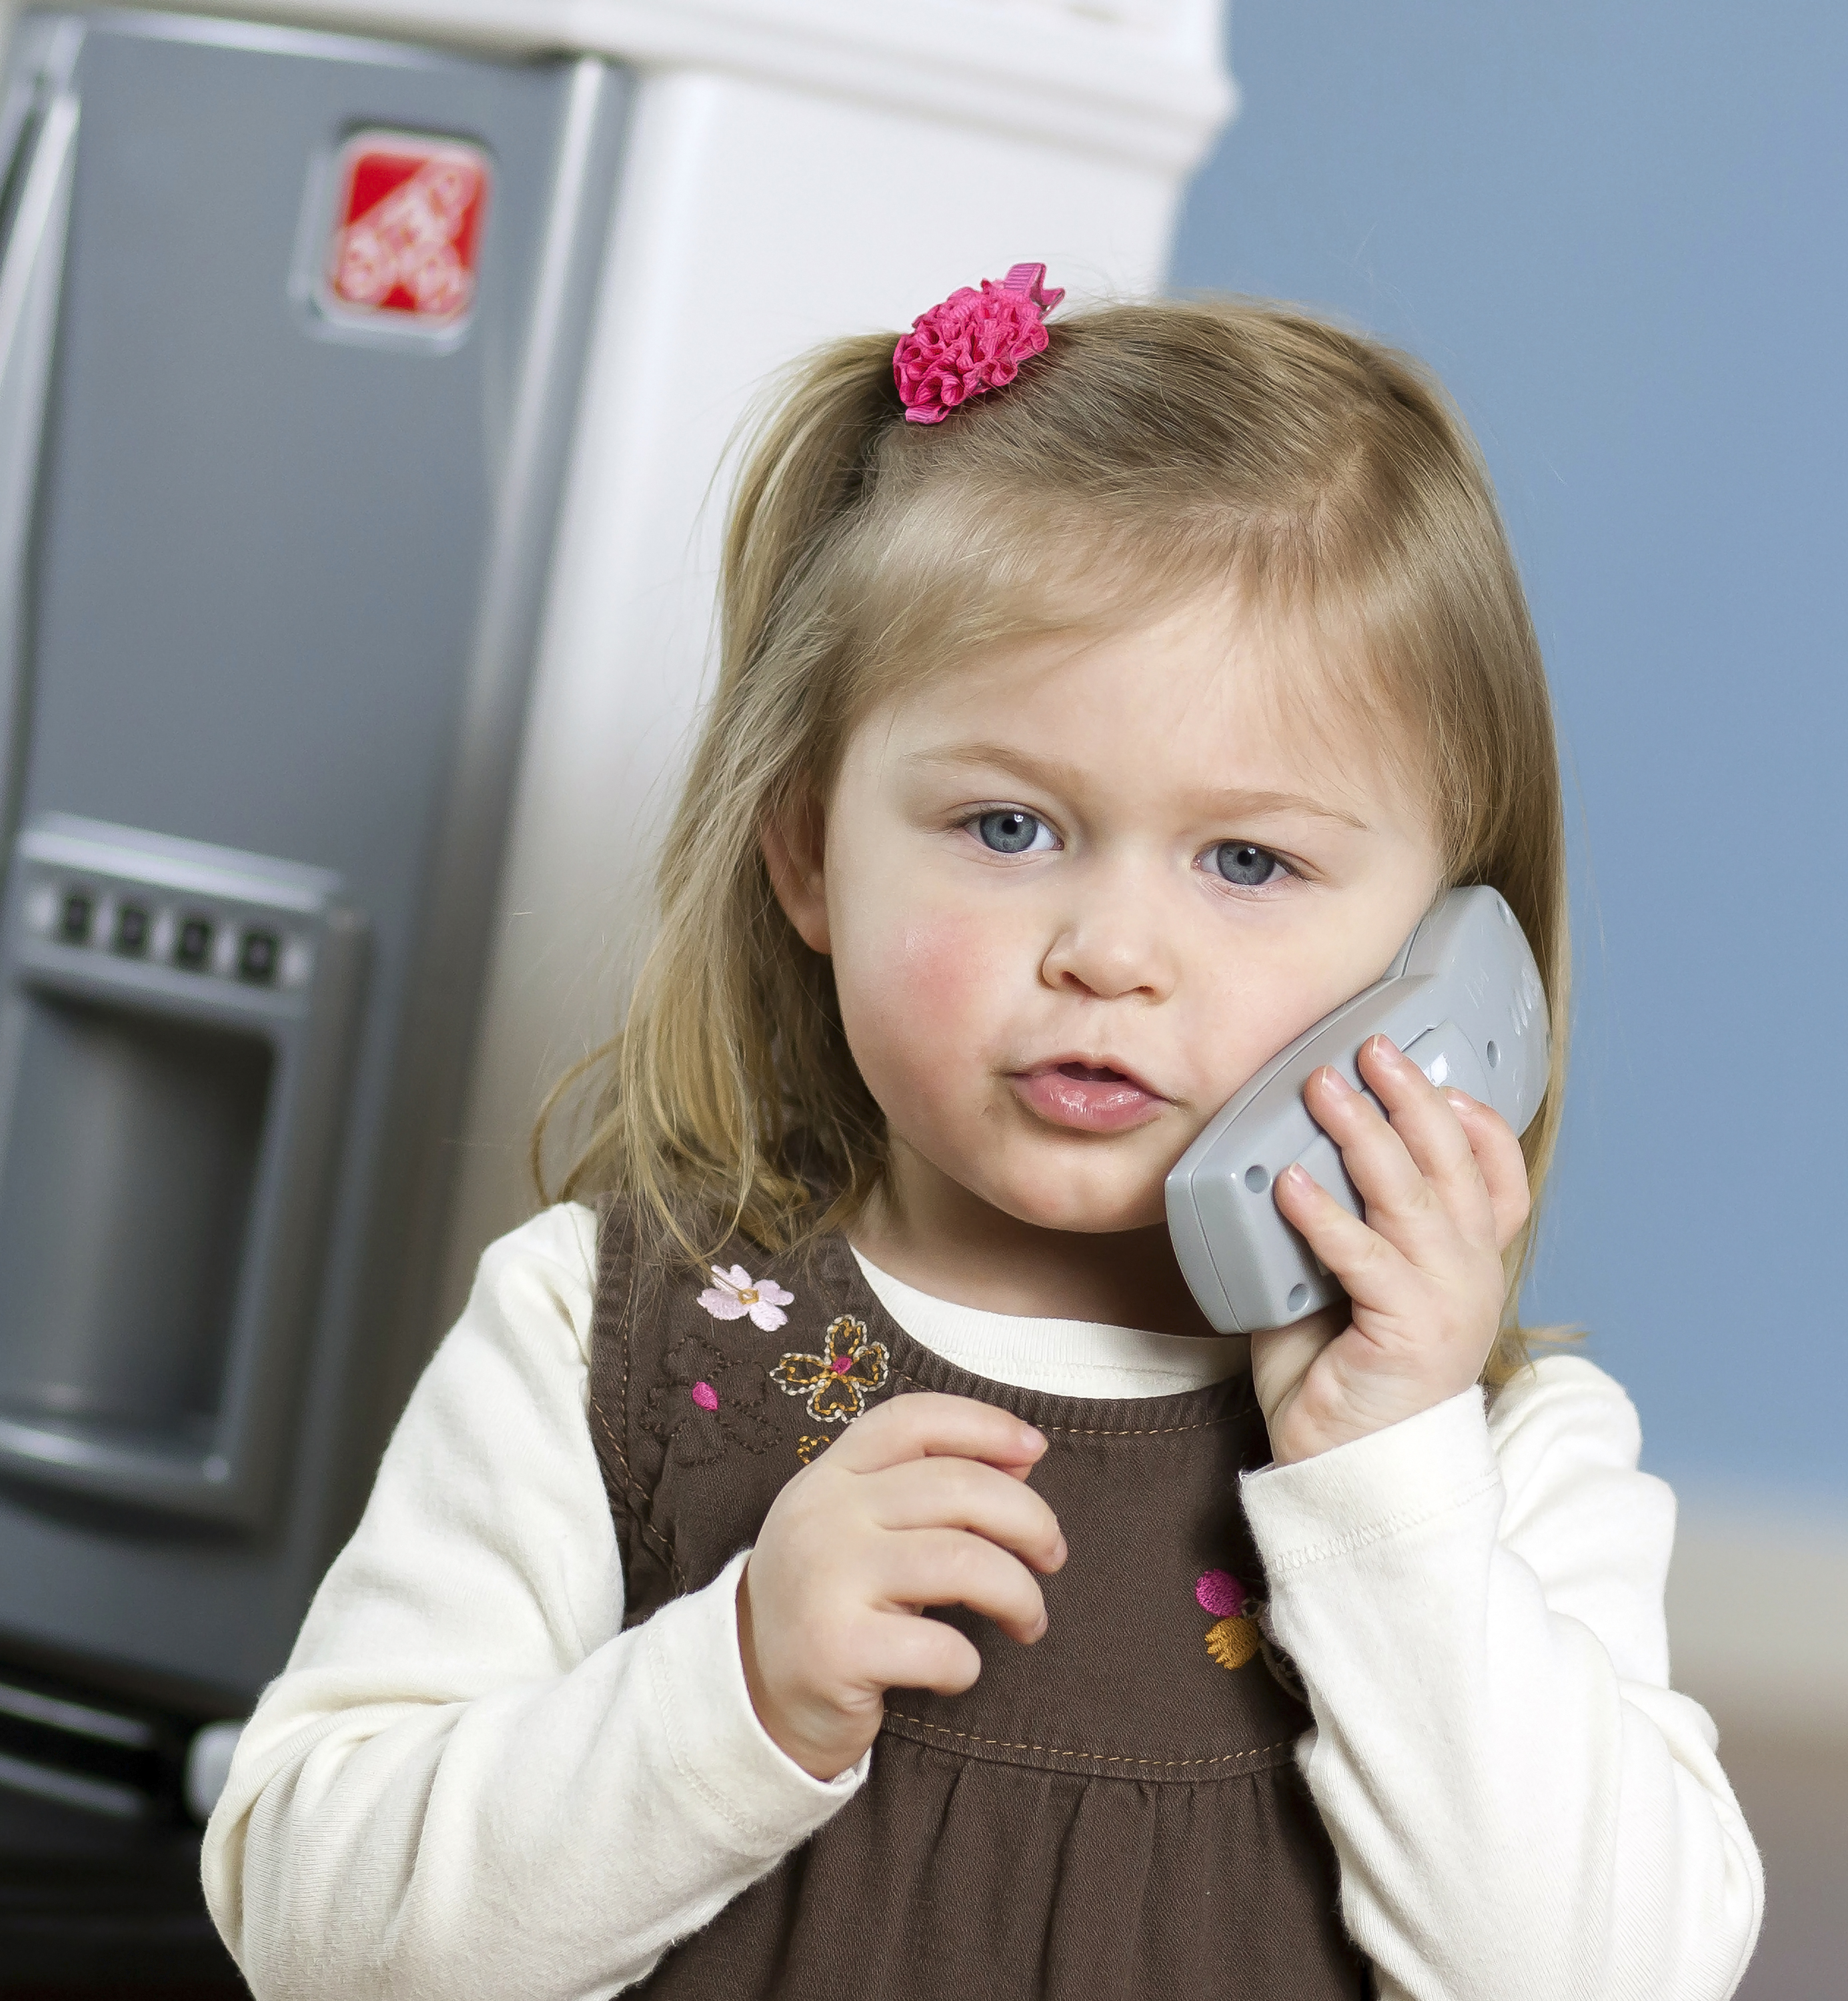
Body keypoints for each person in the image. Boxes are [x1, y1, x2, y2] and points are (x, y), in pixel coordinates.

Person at [201, 269, 1764, 2000]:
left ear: (1441, 967)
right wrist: (729, 1690)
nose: (1109, 953)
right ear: (809, 854)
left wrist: (1385, 1485)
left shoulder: (1495, 1460)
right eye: (1008, 825)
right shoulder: (612, 1341)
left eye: (1247, 861)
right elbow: (316, 1925)